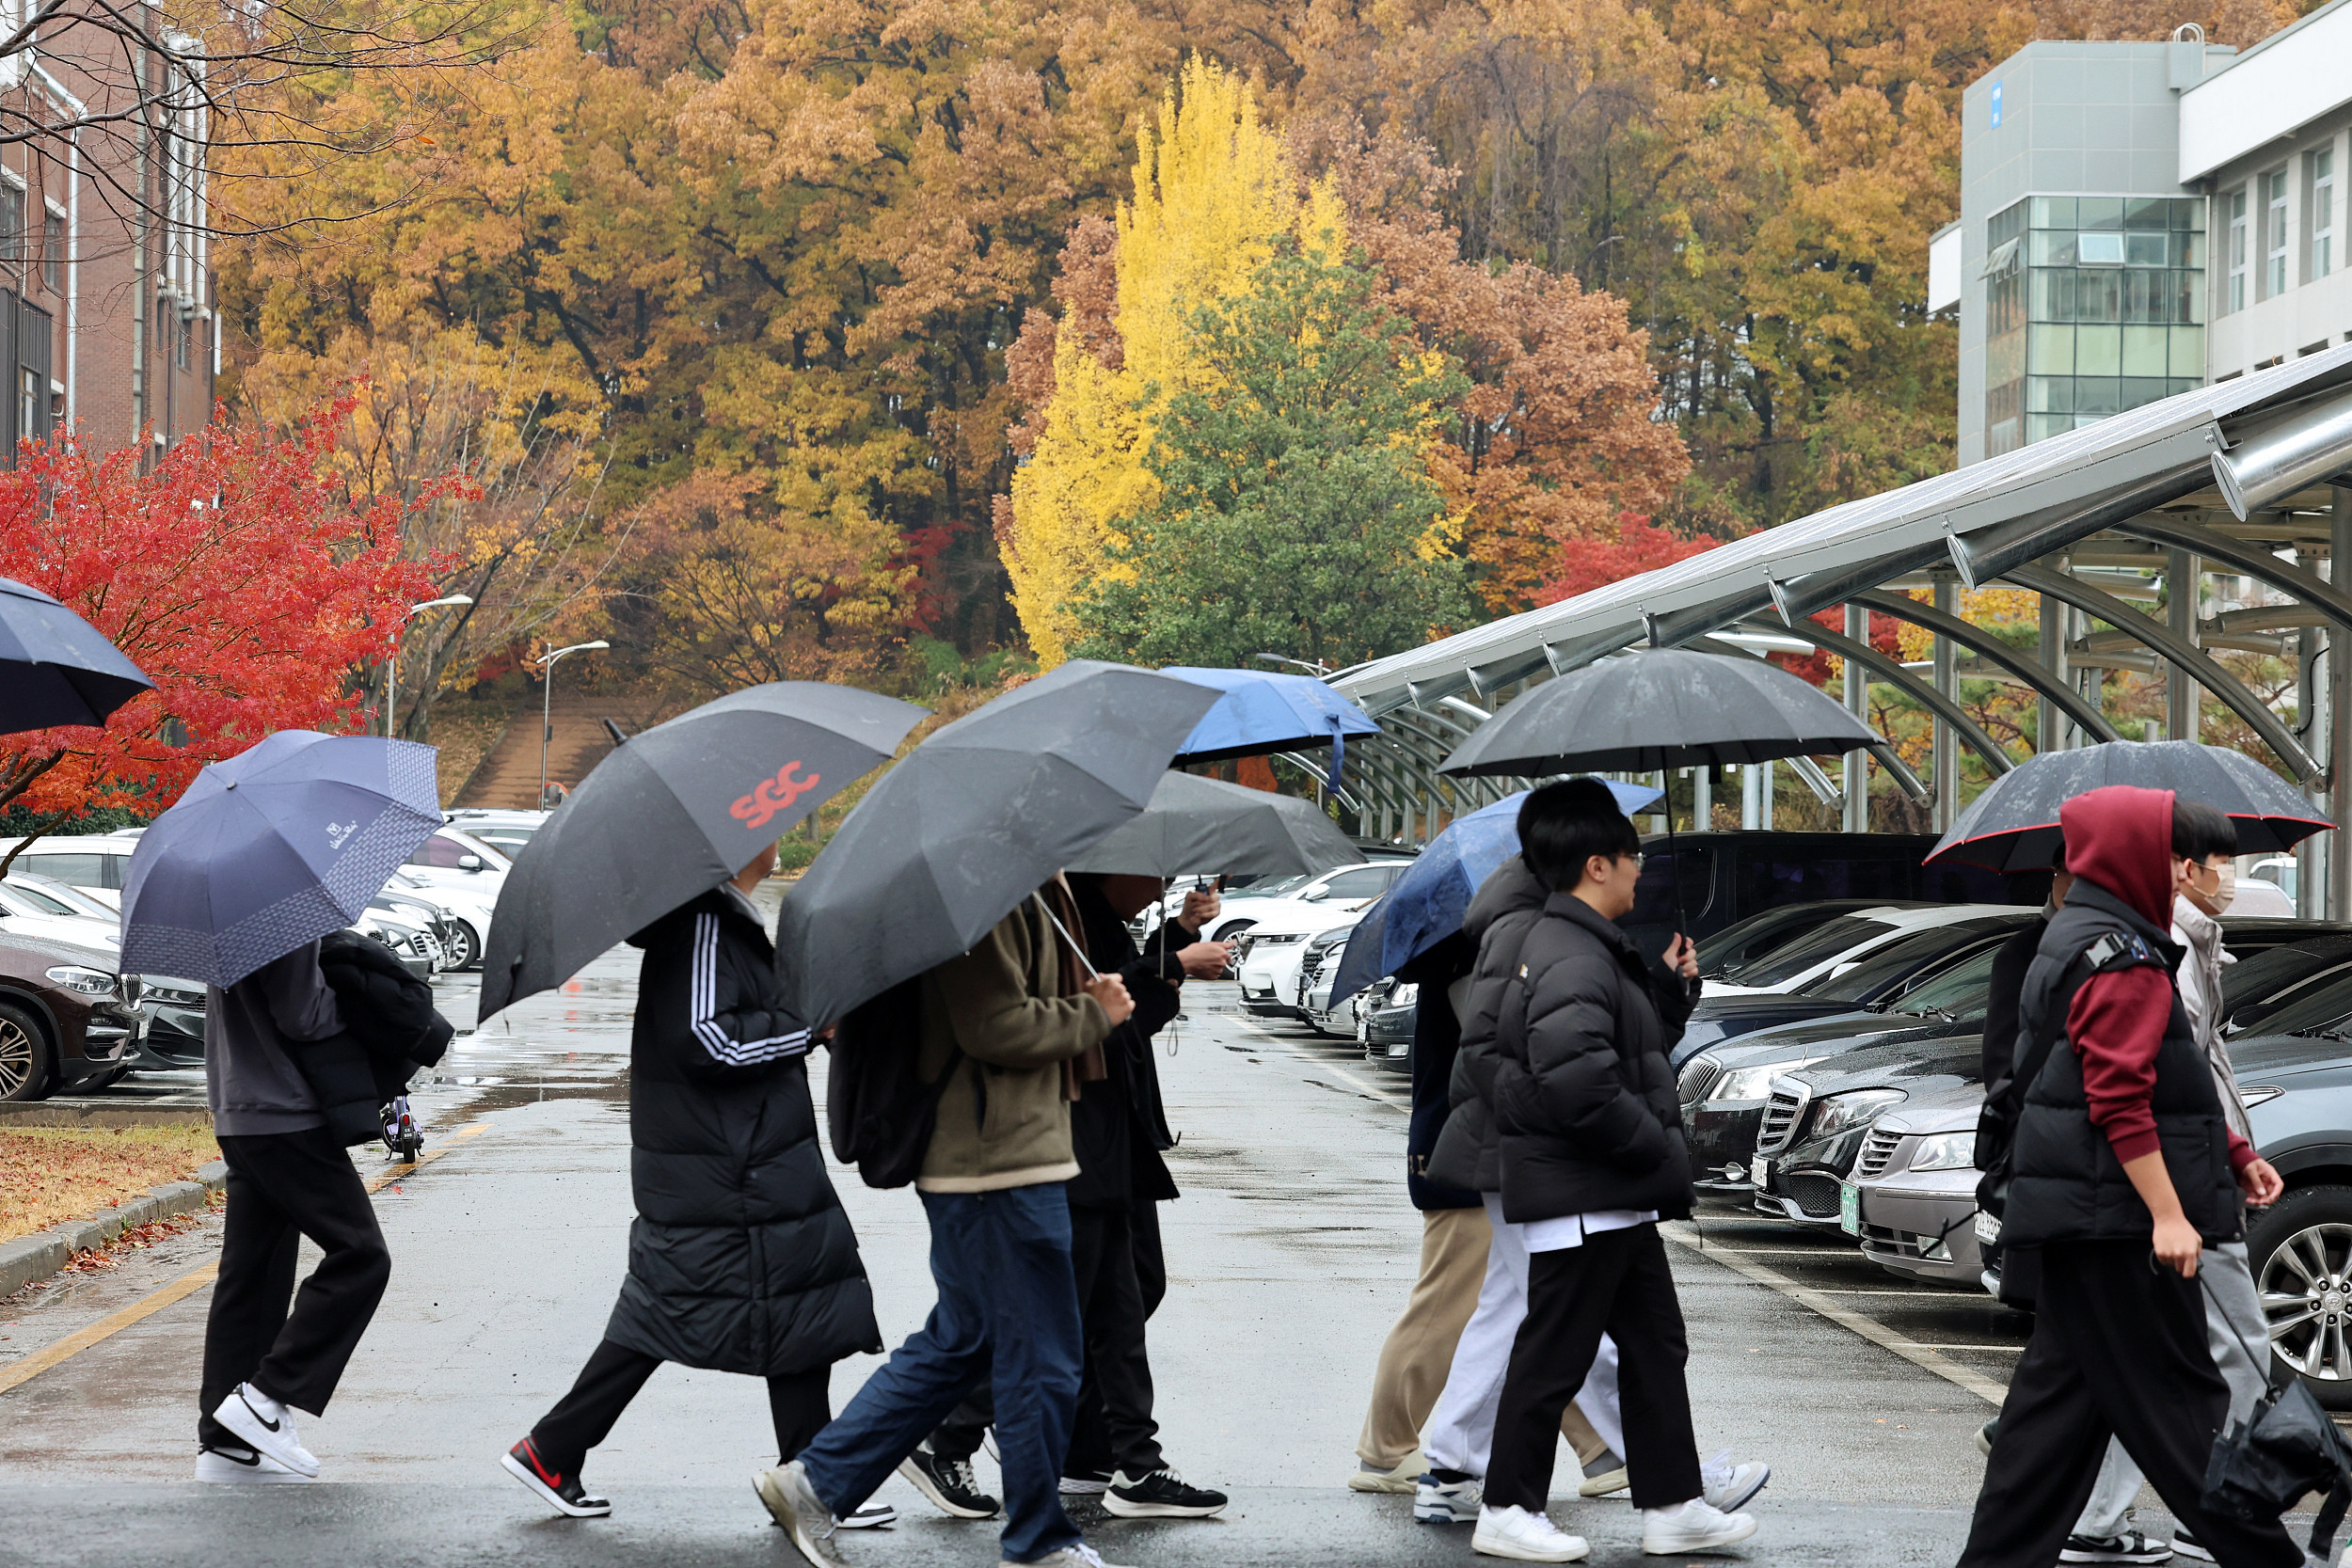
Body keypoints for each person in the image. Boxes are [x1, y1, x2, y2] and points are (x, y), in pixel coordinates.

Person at [1957, 788, 2295, 1568]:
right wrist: (2171, 1215)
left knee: (2046, 1430)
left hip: (2081, 1219)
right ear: (2134, 855)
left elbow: (2160, 1086)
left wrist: (2234, 1157)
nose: (2185, 867)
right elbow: (2119, 1099)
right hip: (2120, 1227)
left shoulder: (2077, 937)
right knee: (2185, 1416)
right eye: (2167, 847)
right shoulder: (2127, 959)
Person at [755, 879, 1136, 1568]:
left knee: (964, 1341)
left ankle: (815, 1481)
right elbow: (993, 1025)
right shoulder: (984, 896)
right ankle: (1038, 1537)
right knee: (1042, 1357)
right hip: (997, 1165)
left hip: (1001, 1159)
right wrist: (1093, 1013)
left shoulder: (1026, 884)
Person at [503, 840, 882, 1520]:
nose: (776, 838)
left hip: (739, 1159)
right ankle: (553, 1446)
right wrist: (803, 1030)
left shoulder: (721, 915)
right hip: (728, 1167)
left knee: (790, 1304)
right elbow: (706, 1036)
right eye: (765, 828)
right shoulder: (707, 920)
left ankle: (811, 1476)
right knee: (682, 1310)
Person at [1415, 836, 1767, 1534]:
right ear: (1589, 863)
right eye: (1630, 854)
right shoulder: (1540, 937)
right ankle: (1624, 1488)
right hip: (1562, 1168)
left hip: (1560, 1165)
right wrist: (1639, 1141)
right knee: (1563, 1334)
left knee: (1566, 1323)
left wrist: (1668, 990)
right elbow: (1550, 1069)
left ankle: (1465, 1471)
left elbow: (1617, 1045)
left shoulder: (1552, 933)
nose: (1642, 868)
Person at [906, 873, 1230, 1521]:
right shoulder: (1044, 911)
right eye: (1152, 875)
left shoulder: (1083, 917)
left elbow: (1128, 1011)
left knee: (1125, 1296)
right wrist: (1170, 958)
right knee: (1057, 1312)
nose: (1159, 883)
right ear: (1106, 868)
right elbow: (1079, 1017)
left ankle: (1129, 1459)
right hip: (1075, 1136)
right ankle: (952, 1436)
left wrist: (1175, 945)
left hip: (1110, 1136)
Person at [2054, 806, 2281, 1567]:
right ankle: (2226, 1513)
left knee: (2125, 1362)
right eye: (2223, 860)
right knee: (2240, 1346)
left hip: (2171, 1182)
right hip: (2176, 1190)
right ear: (2183, 866)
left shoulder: (2175, 941)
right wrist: (2180, 1198)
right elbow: (2147, 1086)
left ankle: (2099, 1515)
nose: (2232, 877)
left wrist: (2236, 1148)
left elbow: (2188, 1069)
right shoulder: (2160, 946)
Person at [197, 938, 395, 1482]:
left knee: (252, 1276)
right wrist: (367, 1004)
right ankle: (265, 1396)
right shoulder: (278, 915)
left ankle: (225, 1445)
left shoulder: (228, 912)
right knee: (361, 1255)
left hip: (239, 1108)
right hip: (287, 1113)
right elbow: (303, 1013)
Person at [1347, 927, 1526, 1498]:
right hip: (1465, 1151)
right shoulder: (1470, 954)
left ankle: (1603, 1448)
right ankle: (1385, 1448)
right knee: (1446, 1307)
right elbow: (1502, 1040)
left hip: (1477, 1147)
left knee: (1536, 1304)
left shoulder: (1471, 947)